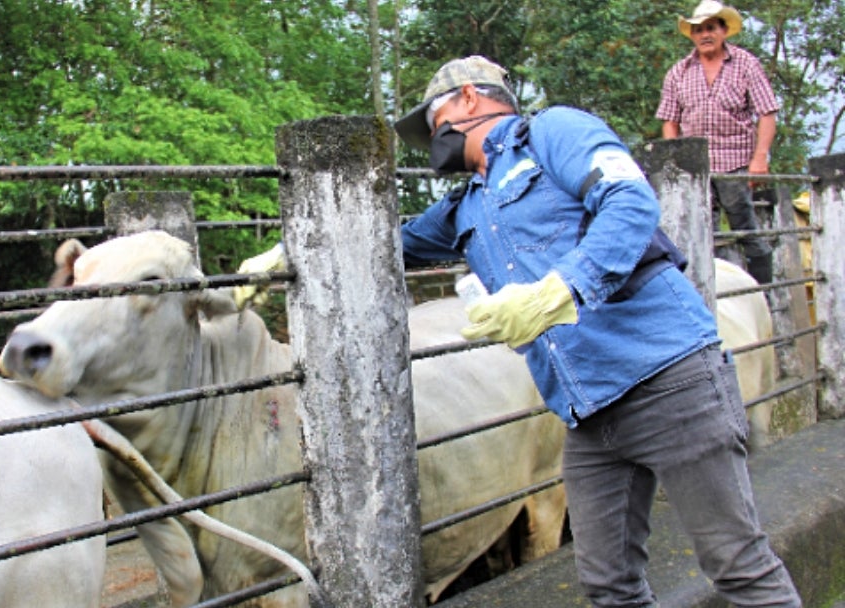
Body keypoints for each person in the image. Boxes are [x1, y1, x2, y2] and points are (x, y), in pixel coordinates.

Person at [234, 55, 801, 607]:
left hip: (667, 380)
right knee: (609, 585)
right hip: (588, 415)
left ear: (468, 98)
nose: (432, 137)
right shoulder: (465, 208)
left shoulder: (555, 132)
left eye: (433, 121)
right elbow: (381, 241)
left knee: (736, 564)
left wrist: (562, 289)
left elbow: (629, 201)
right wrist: (285, 256)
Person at [656, 0, 779, 284]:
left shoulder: (746, 64)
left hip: (734, 160)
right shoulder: (679, 71)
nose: (704, 35)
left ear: (724, 30)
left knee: (743, 226)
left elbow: (767, 112)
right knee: (697, 232)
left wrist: (760, 158)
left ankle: (764, 291)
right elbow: (669, 120)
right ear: (692, 35)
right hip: (693, 166)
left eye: (710, 28)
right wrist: (674, 164)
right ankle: (704, 295)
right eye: (698, 30)